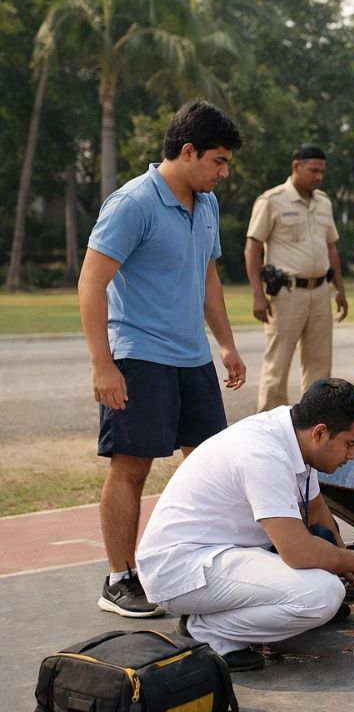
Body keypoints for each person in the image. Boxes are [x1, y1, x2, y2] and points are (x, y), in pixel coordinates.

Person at [79, 100, 247, 618]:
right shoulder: (133, 203)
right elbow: (91, 283)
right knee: (132, 467)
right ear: (188, 151)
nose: (223, 173)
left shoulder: (207, 203)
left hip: (192, 357)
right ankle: (120, 579)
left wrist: (225, 343)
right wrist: (102, 364)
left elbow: (207, 278)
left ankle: (198, 566)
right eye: (218, 161)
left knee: (208, 466)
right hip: (139, 355)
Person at [135, 378, 354, 672]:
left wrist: (349, 568)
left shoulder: (294, 434)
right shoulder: (264, 454)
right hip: (180, 569)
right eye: (349, 444)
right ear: (320, 433)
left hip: (218, 554)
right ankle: (207, 631)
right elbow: (298, 552)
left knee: (326, 583)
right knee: (321, 595)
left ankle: (217, 621)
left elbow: (316, 512)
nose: (352, 455)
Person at [244, 143, 349, 412]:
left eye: (322, 171)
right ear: (296, 167)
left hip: (320, 291)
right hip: (286, 294)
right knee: (277, 366)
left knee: (319, 367)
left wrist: (340, 289)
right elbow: (253, 247)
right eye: (313, 170)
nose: (318, 176)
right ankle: (267, 432)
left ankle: (314, 426)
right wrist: (258, 294)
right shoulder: (272, 200)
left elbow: (331, 248)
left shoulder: (324, 202)